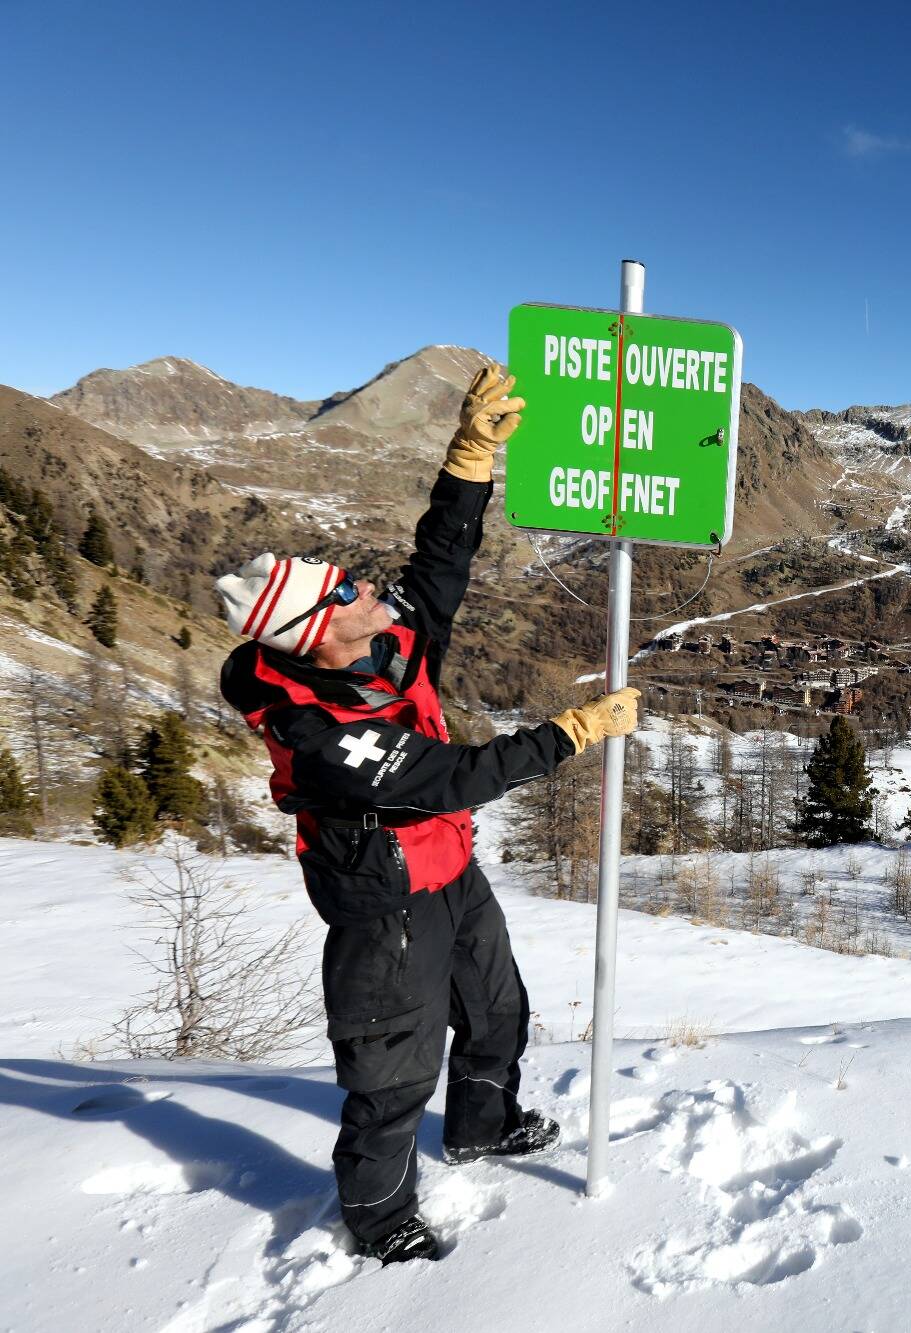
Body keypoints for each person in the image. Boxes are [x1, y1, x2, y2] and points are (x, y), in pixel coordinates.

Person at [216, 366, 640, 1264]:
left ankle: (483, 1127)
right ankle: (377, 1217)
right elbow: (451, 775)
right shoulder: (323, 729)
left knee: (496, 1011)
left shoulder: (378, 641)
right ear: (314, 634)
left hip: (449, 868)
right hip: (385, 898)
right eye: (341, 593)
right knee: (391, 1069)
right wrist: (571, 732)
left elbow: (438, 563)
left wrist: (472, 454)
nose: (363, 589)